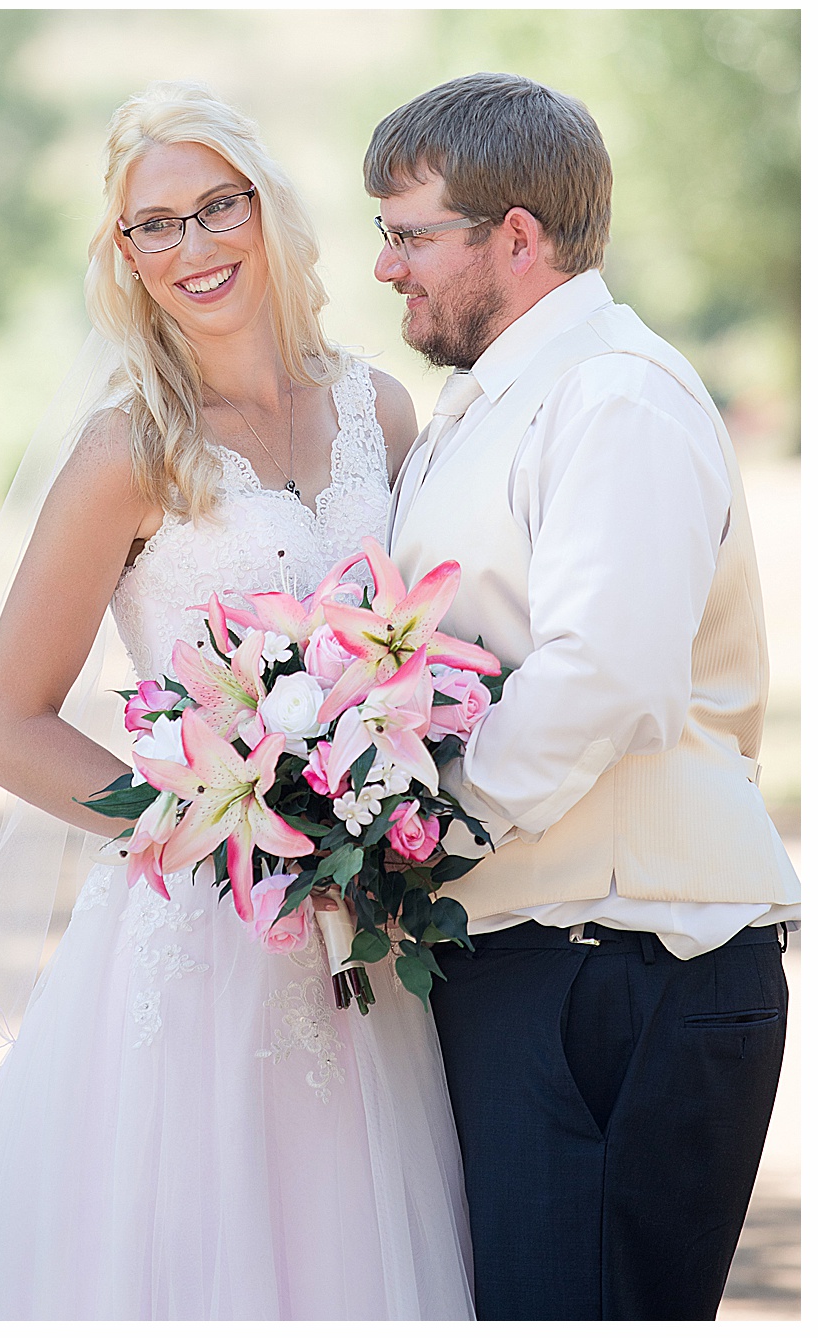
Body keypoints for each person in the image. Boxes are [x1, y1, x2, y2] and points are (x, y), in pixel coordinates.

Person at [0, 81, 474, 1320]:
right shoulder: (132, 450)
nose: (192, 248)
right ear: (123, 256)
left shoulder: (377, 409)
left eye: (215, 207)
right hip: (199, 925)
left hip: (358, 921)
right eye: (152, 226)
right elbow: (5, 724)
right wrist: (212, 828)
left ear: (267, 208)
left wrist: (371, 795)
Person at [369, 72, 799, 1321]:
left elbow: (603, 671)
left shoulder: (618, 394)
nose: (388, 268)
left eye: (410, 235)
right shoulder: (495, 400)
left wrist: (422, 841)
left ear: (516, 235)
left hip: (621, 971)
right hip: (541, 958)